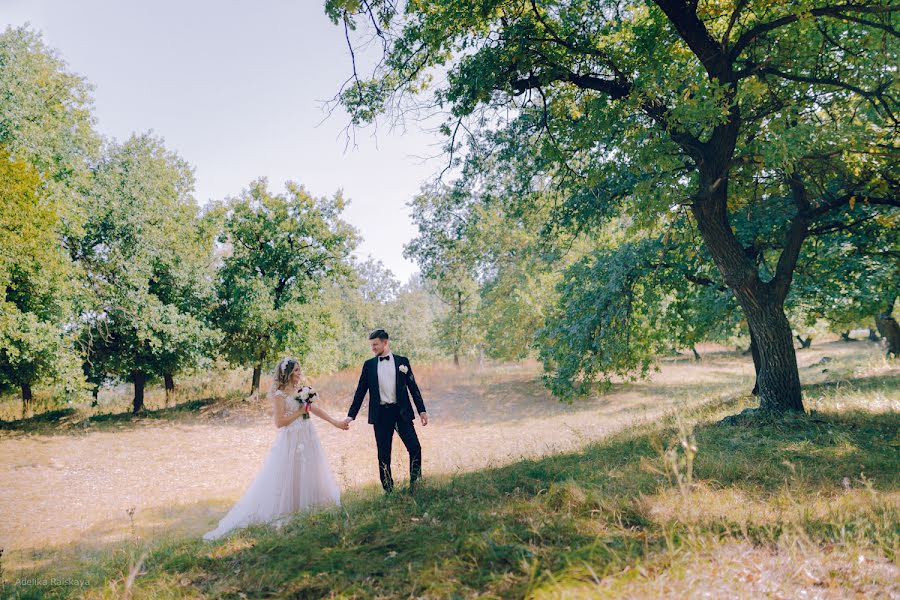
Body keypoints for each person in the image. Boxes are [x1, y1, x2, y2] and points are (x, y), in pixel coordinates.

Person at [203, 357, 348, 540]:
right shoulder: (280, 394)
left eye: (299, 370)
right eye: (295, 370)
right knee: (290, 474)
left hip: (308, 436)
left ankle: (309, 508)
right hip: (291, 440)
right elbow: (279, 422)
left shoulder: (302, 390)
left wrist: (335, 422)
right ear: (287, 374)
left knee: (309, 471)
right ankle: (289, 510)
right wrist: (299, 413)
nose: (299, 373)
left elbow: (314, 409)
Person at [343, 329, 428, 493]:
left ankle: (415, 484)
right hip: (381, 415)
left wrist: (422, 410)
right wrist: (350, 416)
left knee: (415, 447)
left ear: (385, 342)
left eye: (375, 344)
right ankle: (389, 490)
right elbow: (360, 391)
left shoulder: (402, 361)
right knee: (384, 454)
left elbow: (413, 387)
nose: (373, 348)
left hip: (401, 412)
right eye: (371, 345)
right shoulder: (369, 365)